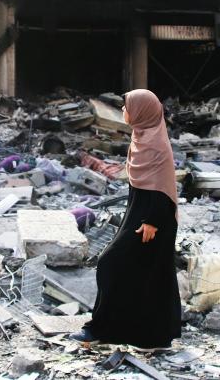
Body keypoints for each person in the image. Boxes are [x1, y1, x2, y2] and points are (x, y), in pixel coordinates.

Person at [70, 89, 182, 350]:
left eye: (126, 107)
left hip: (153, 221)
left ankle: (100, 330)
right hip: (141, 214)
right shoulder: (142, 137)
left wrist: (152, 220)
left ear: (142, 111)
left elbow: (161, 186)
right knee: (144, 275)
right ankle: (150, 337)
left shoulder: (154, 144)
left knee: (112, 264)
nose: (123, 112)